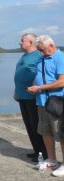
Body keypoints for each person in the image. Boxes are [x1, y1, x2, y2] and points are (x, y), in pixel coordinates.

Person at [27, 35, 64, 176]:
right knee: (46, 131)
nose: (41, 53)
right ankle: (52, 159)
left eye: (42, 50)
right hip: (42, 102)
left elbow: (62, 81)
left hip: (57, 103)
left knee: (61, 133)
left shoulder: (60, 58)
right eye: (39, 50)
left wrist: (40, 88)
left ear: (51, 46)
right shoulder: (41, 58)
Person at [13, 33, 47, 162]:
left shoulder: (38, 55)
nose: (20, 42)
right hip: (22, 96)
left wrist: (35, 86)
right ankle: (36, 151)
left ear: (31, 42)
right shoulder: (24, 55)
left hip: (33, 97)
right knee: (29, 125)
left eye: (22, 40)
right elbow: (21, 73)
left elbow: (41, 73)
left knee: (36, 125)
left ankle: (44, 153)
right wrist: (16, 90)